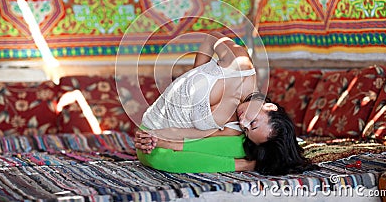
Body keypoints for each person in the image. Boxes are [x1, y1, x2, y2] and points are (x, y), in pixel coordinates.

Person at [134, 31, 315, 175]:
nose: (243, 122)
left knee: (237, 142)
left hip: (157, 140)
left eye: (247, 129)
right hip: (155, 125)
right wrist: (196, 75)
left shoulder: (235, 127)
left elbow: (192, 135)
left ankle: (243, 164)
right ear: (269, 107)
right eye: (253, 122)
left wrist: (154, 137)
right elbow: (211, 37)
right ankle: (246, 163)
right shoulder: (240, 64)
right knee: (236, 144)